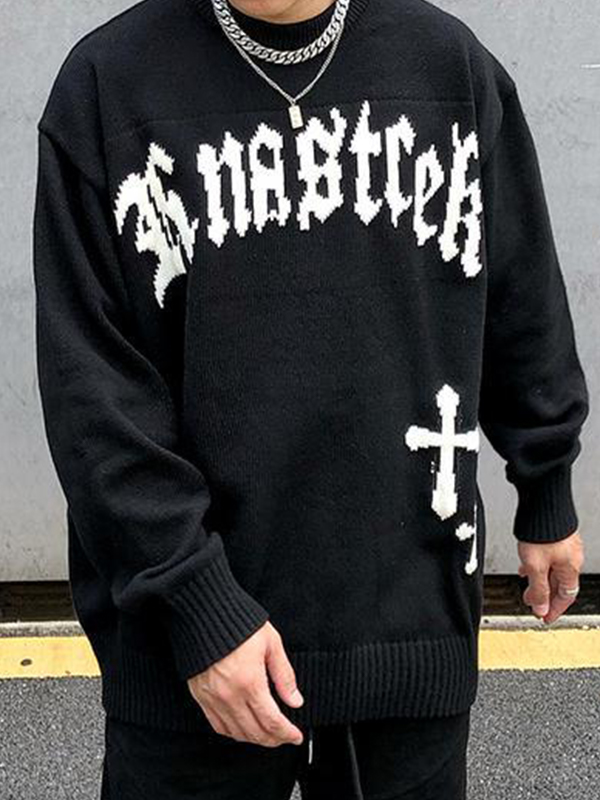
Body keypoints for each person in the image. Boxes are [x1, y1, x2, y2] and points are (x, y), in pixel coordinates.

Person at [32, 0, 589, 797]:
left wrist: (546, 484)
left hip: (405, 630)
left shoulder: (449, 69)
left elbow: (520, 291)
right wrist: (196, 604)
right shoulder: (106, 87)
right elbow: (95, 400)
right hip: (188, 659)